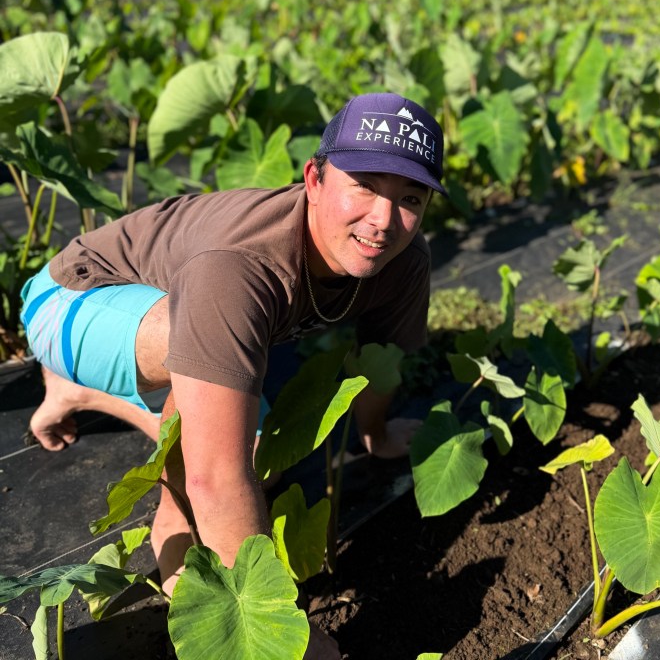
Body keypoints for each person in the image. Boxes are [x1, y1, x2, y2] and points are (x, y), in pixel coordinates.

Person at [20, 91, 446, 660]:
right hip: (70, 301)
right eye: (364, 186)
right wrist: (283, 637)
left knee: (246, 425)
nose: (384, 220)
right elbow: (216, 479)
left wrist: (376, 434)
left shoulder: (403, 261)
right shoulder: (239, 267)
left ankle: (89, 391)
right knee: (213, 389)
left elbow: (381, 360)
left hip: (169, 305)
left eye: (410, 197)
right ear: (314, 179)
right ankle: (87, 388)